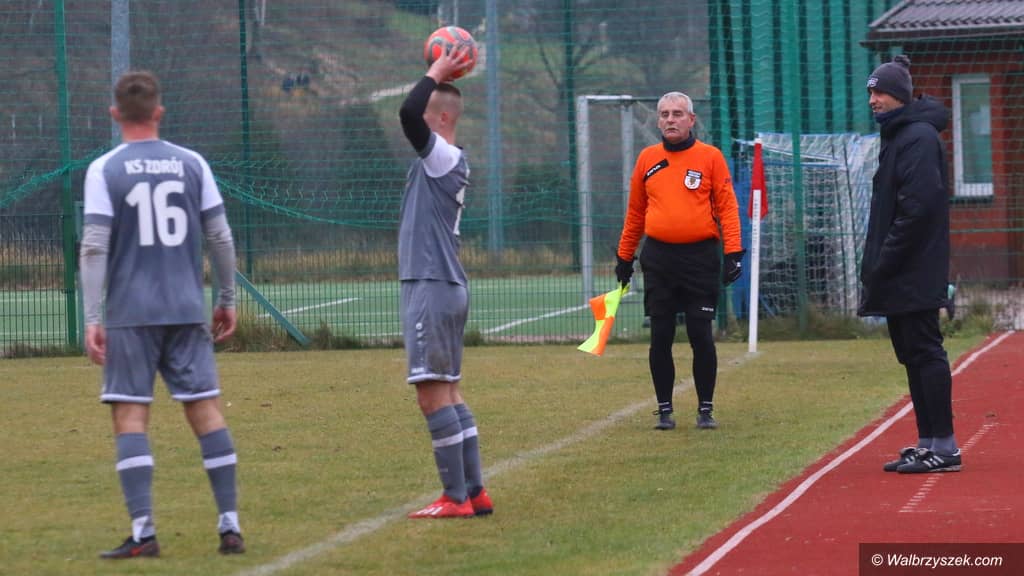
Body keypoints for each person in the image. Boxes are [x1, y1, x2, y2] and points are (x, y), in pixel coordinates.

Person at [80, 70, 245, 557]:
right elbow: (220, 237)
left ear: (115, 114)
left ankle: (144, 533)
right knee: (205, 410)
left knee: (131, 414)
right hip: (186, 308)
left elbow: (94, 245)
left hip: (131, 313)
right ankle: (230, 526)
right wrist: (227, 298)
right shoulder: (192, 163)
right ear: (158, 112)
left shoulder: (104, 169)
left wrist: (92, 317)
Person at [398, 45, 492, 518]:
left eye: (427, 116)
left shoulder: (440, 156)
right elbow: (414, 114)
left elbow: (407, 113)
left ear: (441, 119)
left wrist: (435, 71)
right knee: (449, 390)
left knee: (431, 394)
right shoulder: (450, 159)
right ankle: (474, 492)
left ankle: (454, 498)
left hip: (431, 284)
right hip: (446, 284)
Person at [615, 91, 744, 431]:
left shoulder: (710, 157)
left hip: (700, 258)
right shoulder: (648, 159)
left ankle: (705, 409)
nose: (670, 119)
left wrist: (733, 252)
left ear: (691, 120)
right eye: (664, 114)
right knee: (661, 334)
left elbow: (727, 207)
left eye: (677, 114)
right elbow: (635, 213)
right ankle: (664, 410)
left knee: (701, 334)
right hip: (659, 259)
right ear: (658, 121)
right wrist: (625, 257)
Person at [859, 55, 960, 473]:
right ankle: (927, 441)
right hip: (901, 268)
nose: (873, 100)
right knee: (911, 355)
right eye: (870, 92)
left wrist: (884, 259)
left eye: (880, 92)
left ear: (900, 95)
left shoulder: (917, 137)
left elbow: (917, 210)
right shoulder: (899, 135)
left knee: (925, 351)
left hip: (914, 267)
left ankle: (946, 447)